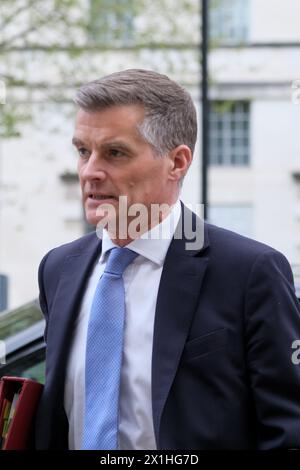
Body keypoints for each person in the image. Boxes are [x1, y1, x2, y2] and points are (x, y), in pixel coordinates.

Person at [35, 69, 300, 450]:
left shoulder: (249, 273)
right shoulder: (58, 269)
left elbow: (288, 432)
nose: (90, 171)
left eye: (115, 153)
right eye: (82, 151)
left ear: (176, 162)